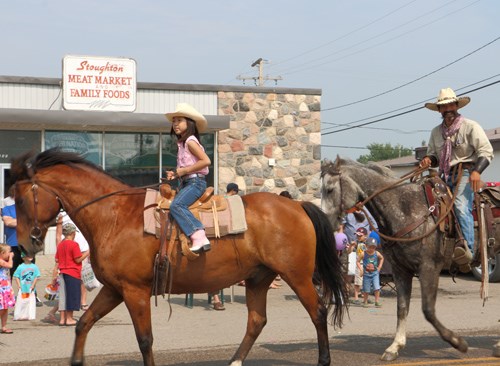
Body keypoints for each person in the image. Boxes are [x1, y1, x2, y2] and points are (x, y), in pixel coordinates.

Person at [420, 88, 494, 268]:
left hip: (466, 173)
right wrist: (429, 159)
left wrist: (477, 171)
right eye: (443, 107)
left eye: (450, 105)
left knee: (460, 205)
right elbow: (435, 156)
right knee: (425, 204)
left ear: (456, 105)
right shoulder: (436, 132)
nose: (447, 109)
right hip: (444, 175)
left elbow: (486, 151)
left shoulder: (470, 126)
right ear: (439, 110)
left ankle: (466, 248)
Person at [165, 103, 212, 254]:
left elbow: (206, 161)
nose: (175, 124)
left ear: (189, 123)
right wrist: (176, 173)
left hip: (195, 183)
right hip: (187, 181)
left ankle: (199, 235)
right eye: (174, 121)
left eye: (179, 120)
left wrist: (183, 170)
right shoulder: (182, 143)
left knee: (176, 206)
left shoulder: (190, 141)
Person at [55, 223, 89, 326]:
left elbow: (57, 259)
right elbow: (78, 259)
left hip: (62, 272)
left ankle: (62, 319)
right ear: (72, 233)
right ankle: (69, 318)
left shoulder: (61, 244)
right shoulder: (74, 245)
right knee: (72, 296)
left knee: (63, 296)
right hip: (73, 272)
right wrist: (87, 253)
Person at [1, 186, 22, 278]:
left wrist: (15, 221)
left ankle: (30, 292)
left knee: (29, 273)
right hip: (13, 246)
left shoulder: (30, 209)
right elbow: (8, 222)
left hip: (28, 246)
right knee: (10, 273)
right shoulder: (7, 208)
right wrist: (26, 221)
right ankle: (7, 292)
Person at [358, 237, 384, 308]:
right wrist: (361, 269)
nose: (371, 249)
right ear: (366, 246)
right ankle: (365, 301)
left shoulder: (376, 253)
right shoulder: (363, 254)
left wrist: (379, 267)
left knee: (377, 288)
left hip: (375, 273)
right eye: (370, 247)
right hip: (366, 273)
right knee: (366, 289)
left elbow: (382, 258)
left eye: (373, 247)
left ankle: (377, 301)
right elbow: (358, 261)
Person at [0, 243, 16, 333]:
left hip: (6, 287)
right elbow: (10, 266)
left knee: (5, 308)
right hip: (1, 288)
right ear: (2, 253)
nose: (10, 253)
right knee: (1, 308)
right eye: (8, 252)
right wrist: (11, 257)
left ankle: (4, 326)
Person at [350, 227, 368, 305]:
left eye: (360, 235)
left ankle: (365, 298)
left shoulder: (368, 243)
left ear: (365, 236)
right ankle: (356, 297)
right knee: (357, 282)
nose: (358, 237)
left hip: (367, 264)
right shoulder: (356, 243)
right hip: (359, 264)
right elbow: (349, 252)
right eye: (357, 235)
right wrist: (351, 246)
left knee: (366, 282)